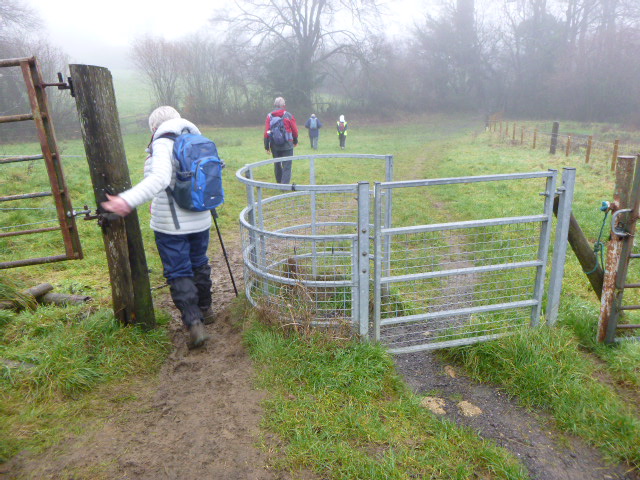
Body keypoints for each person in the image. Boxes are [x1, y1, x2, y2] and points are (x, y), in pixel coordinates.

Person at [100, 106, 214, 349]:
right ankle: (207, 308)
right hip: (202, 216)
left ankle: (195, 323)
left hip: (172, 224)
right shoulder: (198, 137)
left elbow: (160, 179)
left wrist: (126, 200)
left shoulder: (163, 143)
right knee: (199, 262)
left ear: (154, 127)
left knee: (179, 271)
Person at [264, 97, 298, 183]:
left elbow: (267, 132)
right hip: (287, 144)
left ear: (274, 105)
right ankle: (284, 186)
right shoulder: (288, 115)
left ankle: (279, 183)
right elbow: (294, 130)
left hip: (274, 145)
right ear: (284, 105)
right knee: (287, 165)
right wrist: (295, 141)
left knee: (277, 164)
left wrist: (266, 146)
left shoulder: (269, 116)